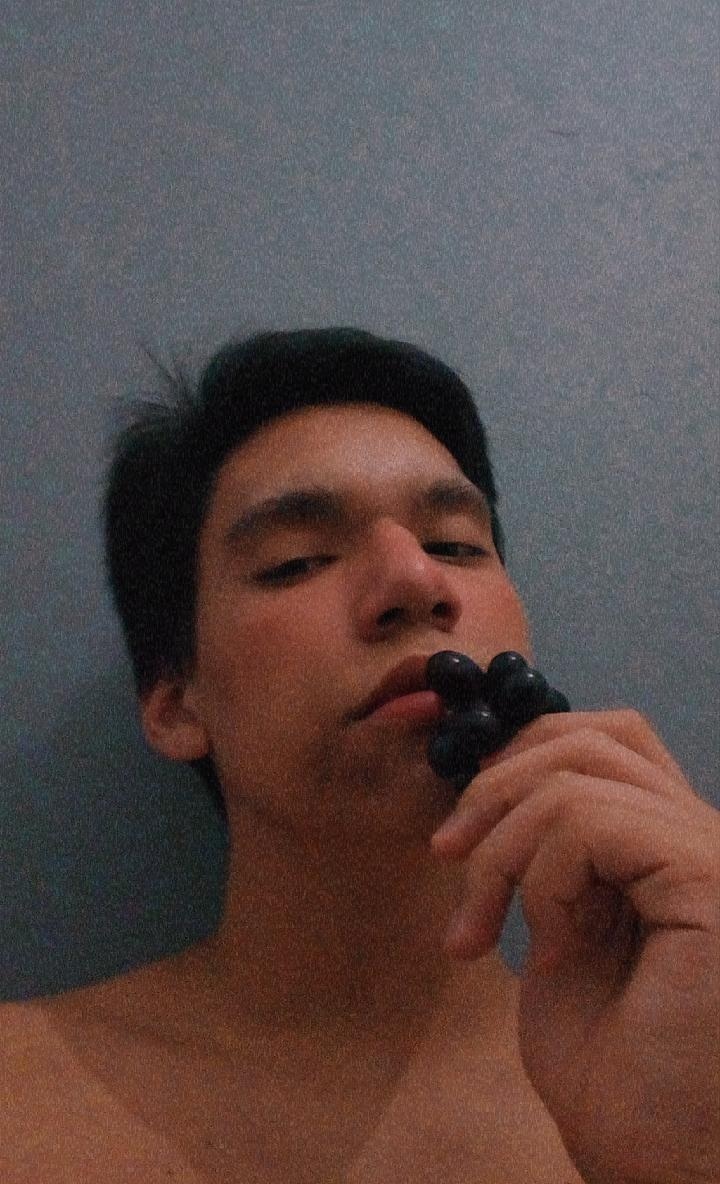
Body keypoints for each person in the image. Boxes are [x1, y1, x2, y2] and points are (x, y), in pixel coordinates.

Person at [3, 328, 718, 1183]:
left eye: (455, 545)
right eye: (296, 561)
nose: (415, 581)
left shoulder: (684, 1076)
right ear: (176, 703)